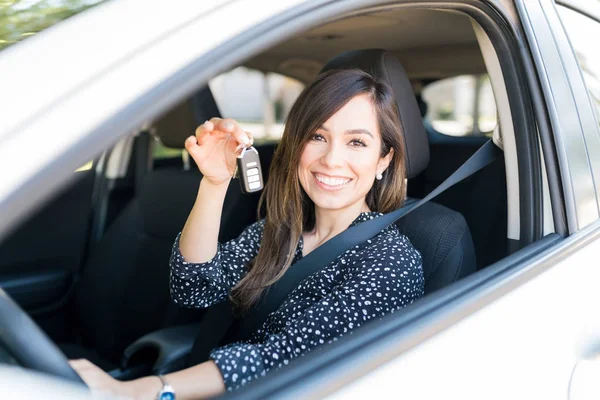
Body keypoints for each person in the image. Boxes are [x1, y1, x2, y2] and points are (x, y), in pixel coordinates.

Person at [70, 68, 425, 399]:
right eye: (317, 136)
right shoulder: (280, 231)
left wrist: (143, 389)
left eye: (357, 143)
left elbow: (286, 359)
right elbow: (193, 286)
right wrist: (215, 181)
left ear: (384, 159)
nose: (331, 159)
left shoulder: (391, 261)